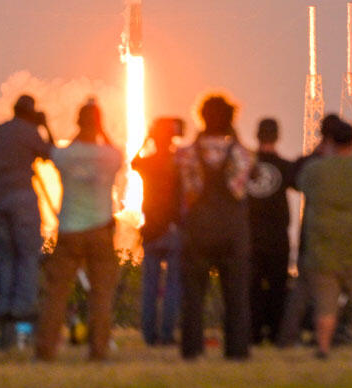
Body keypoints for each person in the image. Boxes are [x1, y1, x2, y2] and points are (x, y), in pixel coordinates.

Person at [36, 100, 123, 361]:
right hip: (101, 232)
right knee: (101, 294)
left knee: (56, 294)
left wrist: (48, 127)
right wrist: (101, 129)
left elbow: (52, 151)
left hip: (69, 231)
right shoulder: (109, 157)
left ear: (77, 122)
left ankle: (45, 351)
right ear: (98, 123)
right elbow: (115, 150)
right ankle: (99, 351)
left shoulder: (66, 155)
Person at [176, 94, 254, 360]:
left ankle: (191, 349)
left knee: (194, 296)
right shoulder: (241, 153)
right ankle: (236, 350)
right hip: (232, 231)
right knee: (235, 295)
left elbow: (190, 191)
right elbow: (240, 188)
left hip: (198, 230)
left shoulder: (189, 154)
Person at [299, 117, 352, 358]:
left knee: (326, 302)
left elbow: (303, 186)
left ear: (330, 141)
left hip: (324, 242)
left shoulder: (316, 170)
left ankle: (323, 347)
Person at [0, 94, 54, 349]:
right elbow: (51, 155)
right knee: (28, 259)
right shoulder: (29, 132)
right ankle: (23, 327)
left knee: (7, 260)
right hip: (22, 201)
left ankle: (5, 327)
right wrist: (44, 127)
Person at [276, 113, 342, 347]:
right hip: (337, 232)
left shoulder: (310, 163)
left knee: (303, 290)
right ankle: (328, 334)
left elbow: (292, 177)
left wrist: (314, 154)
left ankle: (288, 336)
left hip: (311, 231)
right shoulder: (344, 163)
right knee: (333, 290)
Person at [247, 118, 299, 345]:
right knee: (278, 286)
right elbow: (298, 182)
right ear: (277, 137)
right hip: (278, 236)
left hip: (250, 236)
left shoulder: (246, 165)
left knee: (252, 286)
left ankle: (253, 333)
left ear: (257, 136)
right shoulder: (284, 166)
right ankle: (277, 332)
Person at [133, 117, 183, 346]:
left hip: (150, 229)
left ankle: (148, 335)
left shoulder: (148, 162)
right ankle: (166, 334)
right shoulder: (178, 162)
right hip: (174, 229)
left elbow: (134, 162)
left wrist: (146, 140)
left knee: (149, 287)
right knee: (173, 286)